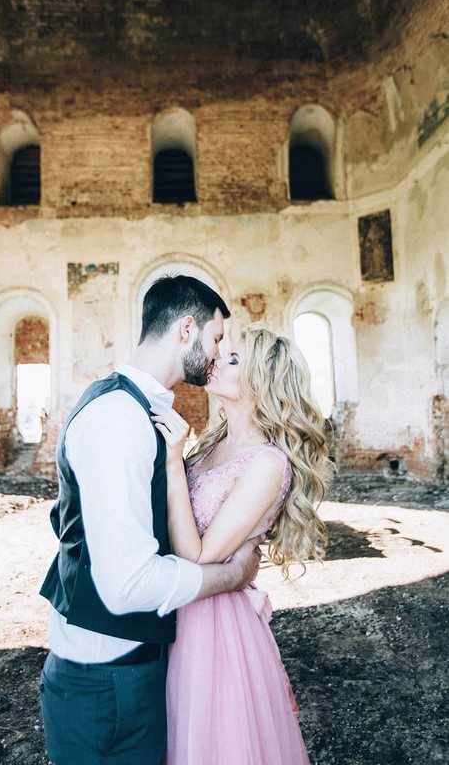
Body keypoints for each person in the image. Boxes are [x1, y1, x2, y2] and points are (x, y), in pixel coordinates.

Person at [38, 275, 264, 765]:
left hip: (126, 670)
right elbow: (128, 586)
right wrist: (232, 575)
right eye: (216, 337)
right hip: (106, 689)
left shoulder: (138, 409)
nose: (217, 352)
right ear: (187, 329)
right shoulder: (119, 419)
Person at [153, 324, 331, 765]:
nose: (216, 359)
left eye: (233, 359)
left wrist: (173, 461)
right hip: (172, 608)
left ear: (261, 382)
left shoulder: (268, 463)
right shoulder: (210, 444)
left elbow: (198, 556)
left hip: (213, 626)